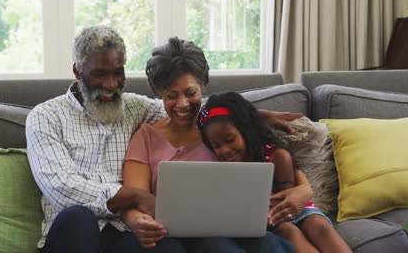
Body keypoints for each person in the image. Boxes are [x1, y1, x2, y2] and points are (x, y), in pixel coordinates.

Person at [26, 26, 304, 253]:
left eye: (118, 73)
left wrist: (253, 116)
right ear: (77, 71)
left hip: (125, 232)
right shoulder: (45, 116)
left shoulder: (135, 108)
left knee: (169, 247)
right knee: (79, 216)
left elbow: (186, 105)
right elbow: (62, 188)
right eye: (100, 74)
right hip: (75, 233)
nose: (111, 84)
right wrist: (137, 197)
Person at [122, 36, 314, 252]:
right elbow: (135, 197)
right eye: (171, 96)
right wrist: (138, 220)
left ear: (203, 87)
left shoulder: (224, 126)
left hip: (235, 228)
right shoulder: (146, 137)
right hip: (174, 235)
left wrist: (305, 190)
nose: (183, 103)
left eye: (191, 93)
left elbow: (271, 154)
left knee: (272, 244)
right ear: (159, 95)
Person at [197, 92, 353, 253]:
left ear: (244, 130)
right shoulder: (219, 166)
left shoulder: (276, 156)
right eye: (216, 146)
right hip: (269, 218)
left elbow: (288, 201)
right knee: (289, 231)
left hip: (290, 207)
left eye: (230, 140)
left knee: (320, 226)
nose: (225, 150)